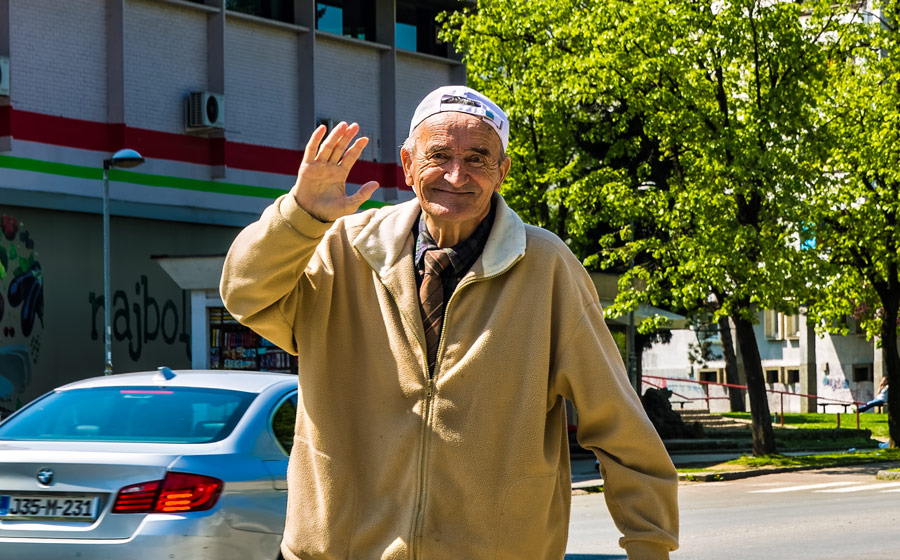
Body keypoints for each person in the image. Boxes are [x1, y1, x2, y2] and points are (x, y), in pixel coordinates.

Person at [220, 86, 678, 559]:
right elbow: (245, 293)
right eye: (439, 155)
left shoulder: (547, 267)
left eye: (478, 158)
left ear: (502, 172)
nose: (457, 175)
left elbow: (618, 422)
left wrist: (650, 544)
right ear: (408, 163)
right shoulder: (343, 249)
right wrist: (301, 216)